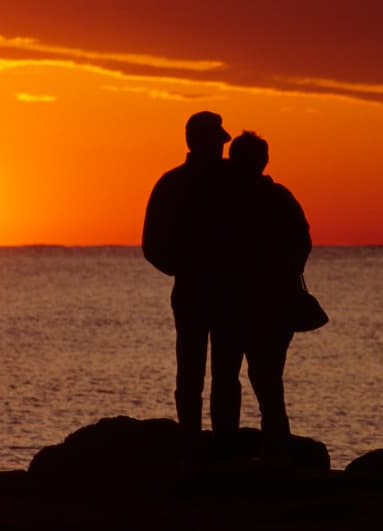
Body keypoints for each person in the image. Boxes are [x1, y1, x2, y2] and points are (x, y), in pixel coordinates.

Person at [210, 130, 311, 460]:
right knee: (268, 381)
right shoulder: (278, 197)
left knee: (227, 380)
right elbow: (301, 244)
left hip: (232, 304)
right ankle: (276, 448)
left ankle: (226, 449)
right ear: (264, 161)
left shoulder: (220, 199)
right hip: (270, 306)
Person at [142, 111, 232, 456]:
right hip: (211, 289)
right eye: (217, 141)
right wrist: (187, 269)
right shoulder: (185, 183)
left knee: (208, 373)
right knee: (205, 372)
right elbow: (152, 245)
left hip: (212, 290)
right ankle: (206, 445)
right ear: (202, 142)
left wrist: (183, 270)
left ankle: (206, 445)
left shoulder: (176, 182)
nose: (222, 149)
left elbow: (152, 246)